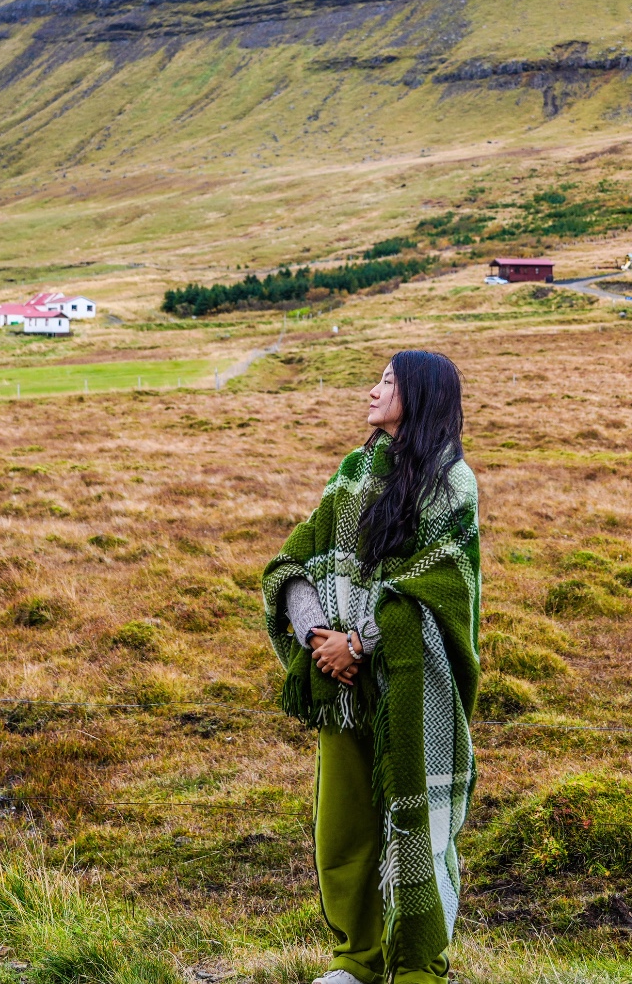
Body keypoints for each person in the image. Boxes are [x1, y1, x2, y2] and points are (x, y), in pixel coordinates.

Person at [262, 351, 481, 984]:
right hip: (343, 689)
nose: (373, 390)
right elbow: (293, 561)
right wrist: (316, 639)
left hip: (412, 689)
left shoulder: (452, 481)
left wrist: (360, 641)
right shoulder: (353, 472)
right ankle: (356, 962)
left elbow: (439, 586)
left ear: (421, 394)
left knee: (418, 827)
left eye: (388, 381)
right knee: (342, 831)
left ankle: (417, 967)